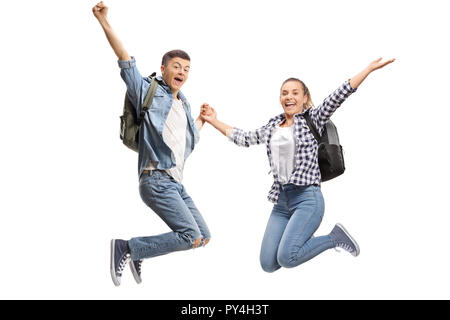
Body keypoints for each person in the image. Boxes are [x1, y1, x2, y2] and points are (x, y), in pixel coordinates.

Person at [200, 58, 394, 272]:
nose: (289, 97)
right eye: (284, 93)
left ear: (304, 98)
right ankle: (303, 238)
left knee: (287, 258)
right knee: (268, 264)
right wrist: (213, 120)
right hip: (282, 201)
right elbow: (244, 138)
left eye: (294, 92)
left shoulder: (314, 118)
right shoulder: (273, 125)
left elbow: (340, 94)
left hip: (307, 199)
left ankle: (334, 238)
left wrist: (367, 70)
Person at [93, 2, 211, 286]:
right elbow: (124, 59)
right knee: (189, 236)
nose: (182, 71)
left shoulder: (183, 103)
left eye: (186, 68)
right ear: (163, 68)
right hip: (155, 179)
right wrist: (104, 21)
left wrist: (203, 120)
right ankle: (128, 248)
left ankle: (137, 252)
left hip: (176, 183)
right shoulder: (147, 90)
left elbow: (185, 145)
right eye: (176, 66)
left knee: (203, 237)